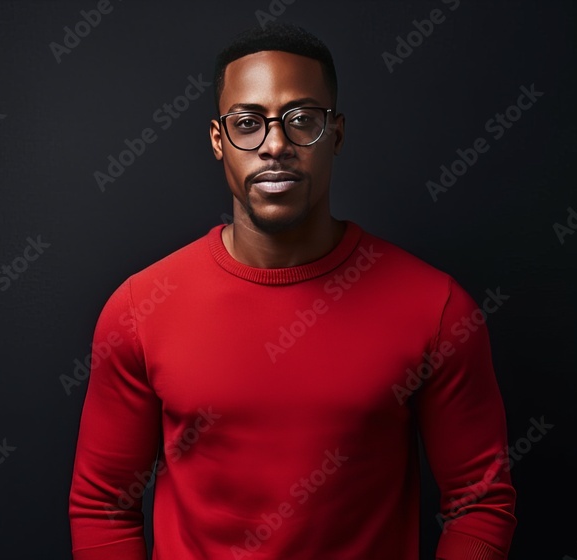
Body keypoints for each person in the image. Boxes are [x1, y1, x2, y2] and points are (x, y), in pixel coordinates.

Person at [69, 22, 516, 560]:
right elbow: (102, 505)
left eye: (302, 120)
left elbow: (481, 503)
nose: (275, 145)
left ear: (338, 134)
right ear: (218, 141)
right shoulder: (141, 308)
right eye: (248, 123)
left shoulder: (436, 308)